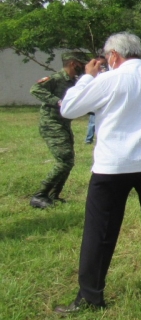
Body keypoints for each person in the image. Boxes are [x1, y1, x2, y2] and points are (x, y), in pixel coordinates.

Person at [55, 32, 141, 314]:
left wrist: (86, 77)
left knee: (100, 231)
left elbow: (69, 109)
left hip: (113, 166)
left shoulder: (108, 79)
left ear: (114, 56)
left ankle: (91, 297)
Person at [29, 51, 88, 209]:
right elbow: (35, 89)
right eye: (82, 64)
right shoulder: (56, 78)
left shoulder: (73, 82)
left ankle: (54, 195)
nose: (83, 67)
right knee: (64, 160)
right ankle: (40, 195)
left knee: (69, 161)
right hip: (51, 124)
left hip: (64, 124)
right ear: (73, 64)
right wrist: (58, 101)